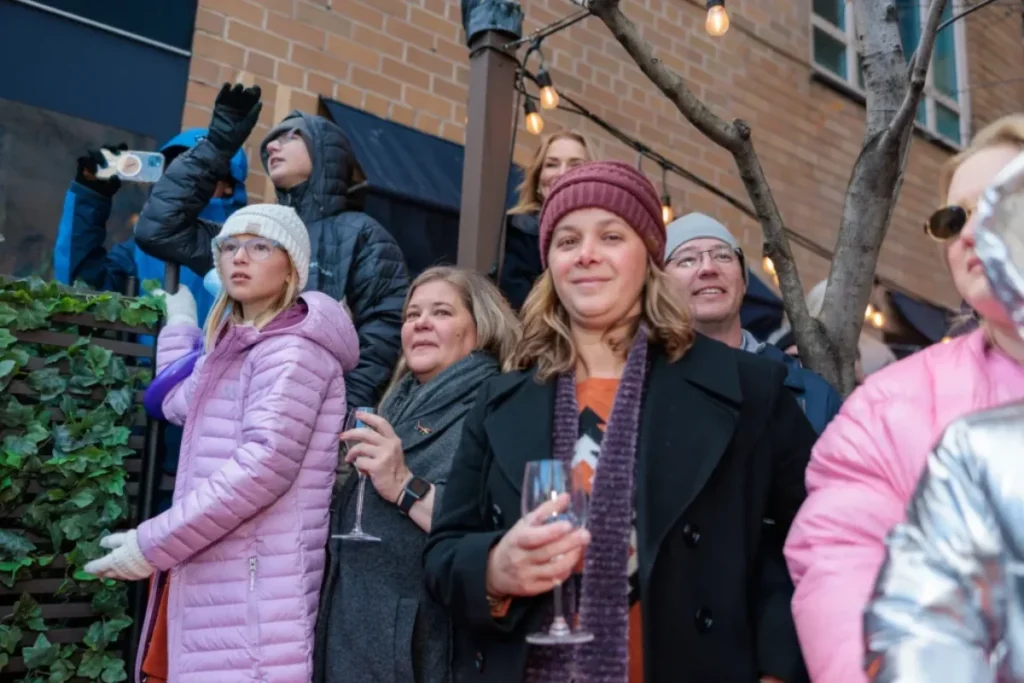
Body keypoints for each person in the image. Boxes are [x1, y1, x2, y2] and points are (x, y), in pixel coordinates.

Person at [423, 161, 816, 682]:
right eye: (567, 241)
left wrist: (778, 668)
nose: (586, 254)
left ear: (649, 257)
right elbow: (443, 553)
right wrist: (494, 569)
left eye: (611, 235)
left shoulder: (749, 388)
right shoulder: (502, 398)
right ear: (550, 265)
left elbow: (819, 536)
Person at [784, 114, 1024, 683]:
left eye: (1000, 200)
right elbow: (842, 563)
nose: (970, 231)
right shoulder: (885, 408)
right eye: (953, 218)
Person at [84, 203, 359, 683]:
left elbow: (261, 468)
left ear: (291, 265)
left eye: (259, 246)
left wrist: (151, 545)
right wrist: (183, 326)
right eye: (229, 246)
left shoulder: (293, 350)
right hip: (220, 577)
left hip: (253, 591)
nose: (239, 257)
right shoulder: (239, 345)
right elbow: (174, 403)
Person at [134, 83, 408, 409]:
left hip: (311, 419)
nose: (273, 146)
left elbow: (383, 332)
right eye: (270, 142)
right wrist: (219, 145)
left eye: (291, 136)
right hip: (232, 408)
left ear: (326, 151)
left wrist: (337, 411)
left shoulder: (362, 233)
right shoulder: (253, 235)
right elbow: (160, 229)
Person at [314, 266, 521, 683]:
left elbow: (493, 530)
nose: (421, 323)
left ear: (481, 330)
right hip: (351, 640)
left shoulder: (498, 410)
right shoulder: (395, 404)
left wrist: (405, 487)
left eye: (441, 312)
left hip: (422, 651)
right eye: (412, 315)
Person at [664, 212, 842, 434]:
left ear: (743, 282)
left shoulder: (810, 393)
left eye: (723, 256)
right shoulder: (638, 381)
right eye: (687, 259)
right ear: (660, 287)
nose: (708, 268)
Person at [53, 129, 249, 325]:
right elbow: (81, 294)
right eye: (174, 170)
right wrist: (91, 196)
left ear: (229, 185)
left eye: (201, 172)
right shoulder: (138, 250)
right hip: (147, 356)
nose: (184, 179)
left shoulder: (252, 248)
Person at [498, 129, 593, 310]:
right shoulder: (516, 231)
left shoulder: (606, 239)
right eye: (551, 165)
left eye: (575, 165)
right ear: (538, 179)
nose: (562, 173)